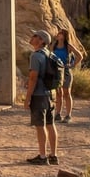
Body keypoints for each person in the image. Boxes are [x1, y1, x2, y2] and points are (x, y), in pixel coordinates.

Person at [24, 29, 58, 165]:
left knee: (40, 125)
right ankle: (53, 155)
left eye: (35, 36)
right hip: (50, 94)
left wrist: (27, 99)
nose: (32, 37)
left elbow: (33, 78)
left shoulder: (36, 56)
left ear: (42, 41)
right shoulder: (49, 54)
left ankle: (42, 157)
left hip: (39, 95)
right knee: (50, 124)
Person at [50, 29, 84, 123]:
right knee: (58, 93)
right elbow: (50, 56)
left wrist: (72, 65)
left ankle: (68, 115)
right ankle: (58, 114)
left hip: (66, 71)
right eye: (58, 33)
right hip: (56, 71)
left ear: (64, 36)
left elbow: (80, 56)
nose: (58, 35)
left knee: (66, 93)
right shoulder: (54, 45)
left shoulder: (68, 46)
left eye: (60, 34)